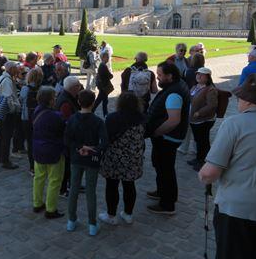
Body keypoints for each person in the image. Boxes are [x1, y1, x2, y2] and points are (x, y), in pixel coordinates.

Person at [198, 74, 256, 259]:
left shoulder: (235, 124)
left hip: (236, 211)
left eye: (241, 97)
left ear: (250, 100)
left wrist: (202, 174)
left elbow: (210, 173)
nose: (238, 101)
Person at [146, 61, 190, 215]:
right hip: (168, 137)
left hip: (167, 137)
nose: (157, 77)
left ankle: (167, 204)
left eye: (160, 75)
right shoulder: (177, 85)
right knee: (161, 166)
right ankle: (163, 192)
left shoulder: (173, 93)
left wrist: (157, 132)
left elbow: (173, 120)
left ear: (170, 76)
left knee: (165, 169)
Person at [65, 89, 108, 235]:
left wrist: (79, 147)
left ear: (78, 102)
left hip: (77, 157)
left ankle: (71, 220)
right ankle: (92, 224)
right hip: (91, 158)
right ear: (93, 102)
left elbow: (67, 139)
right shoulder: (98, 121)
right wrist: (92, 149)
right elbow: (105, 142)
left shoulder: (72, 119)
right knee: (91, 192)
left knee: (74, 189)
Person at [99, 92, 146, 226]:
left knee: (112, 186)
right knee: (129, 185)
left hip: (115, 157)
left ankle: (111, 215)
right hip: (133, 158)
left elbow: (106, 137)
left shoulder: (112, 118)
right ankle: (128, 213)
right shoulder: (141, 119)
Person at [32, 86, 66, 219]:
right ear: (50, 100)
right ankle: (51, 209)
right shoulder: (56, 116)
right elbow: (62, 131)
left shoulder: (36, 111)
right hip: (53, 151)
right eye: (54, 97)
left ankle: (37, 203)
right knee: (55, 180)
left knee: (39, 178)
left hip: (38, 149)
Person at [55, 76, 83, 197]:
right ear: (73, 88)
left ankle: (73, 183)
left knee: (71, 163)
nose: (80, 87)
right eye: (78, 86)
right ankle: (63, 188)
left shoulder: (69, 96)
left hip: (69, 138)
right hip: (67, 139)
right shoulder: (66, 102)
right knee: (67, 165)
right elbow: (67, 121)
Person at [188, 67, 218, 171]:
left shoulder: (210, 89)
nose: (198, 76)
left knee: (203, 141)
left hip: (204, 120)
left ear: (208, 77)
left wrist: (199, 112)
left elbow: (212, 105)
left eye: (202, 74)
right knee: (198, 140)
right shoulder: (195, 86)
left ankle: (204, 161)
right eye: (197, 74)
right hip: (194, 120)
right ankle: (198, 158)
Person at [0, 61, 21, 169]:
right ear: (11, 69)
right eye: (16, 68)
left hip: (1, 111)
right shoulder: (8, 80)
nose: (18, 70)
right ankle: (5, 160)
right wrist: (15, 109)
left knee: (0, 133)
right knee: (7, 136)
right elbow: (9, 97)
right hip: (7, 112)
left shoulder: (4, 77)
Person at [19, 68, 43, 174]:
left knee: (30, 142)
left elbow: (21, 100)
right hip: (40, 118)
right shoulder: (42, 88)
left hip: (27, 118)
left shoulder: (25, 88)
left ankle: (32, 167)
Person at [92, 52, 114, 117]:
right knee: (99, 101)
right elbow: (109, 76)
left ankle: (105, 114)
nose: (108, 58)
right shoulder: (103, 66)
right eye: (107, 57)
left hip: (103, 86)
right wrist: (111, 75)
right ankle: (93, 111)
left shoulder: (102, 65)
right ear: (103, 57)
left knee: (104, 100)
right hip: (104, 86)